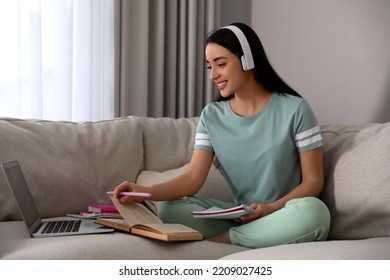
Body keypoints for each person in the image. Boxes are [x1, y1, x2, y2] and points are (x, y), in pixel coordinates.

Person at [113, 22, 330, 248]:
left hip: (284, 212)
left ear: (247, 60)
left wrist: (271, 209)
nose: (213, 75)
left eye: (221, 64)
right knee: (169, 208)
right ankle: (254, 236)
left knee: (315, 213)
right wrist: (145, 192)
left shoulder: (296, 109)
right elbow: (191, 179)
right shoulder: (211, 116)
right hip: (243, 216)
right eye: (209, 67)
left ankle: (226, 241)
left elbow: (313, 182)